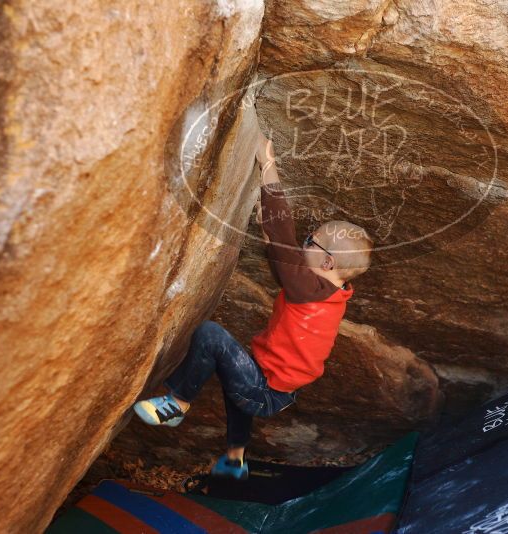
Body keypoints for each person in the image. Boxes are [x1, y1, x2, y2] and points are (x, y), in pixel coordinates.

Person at [132, 107, 374, 480]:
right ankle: (235, 458)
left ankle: (176, 404)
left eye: (312, 241)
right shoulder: (332, 292)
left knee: (212, 337)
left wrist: (268, 165)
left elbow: (283, 239)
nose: (304, 243)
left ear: (327, 264)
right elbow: (283, 253)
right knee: (236, 380)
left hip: (266, 389)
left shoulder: (309, 289)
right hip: (278, 387)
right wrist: (276, 244)